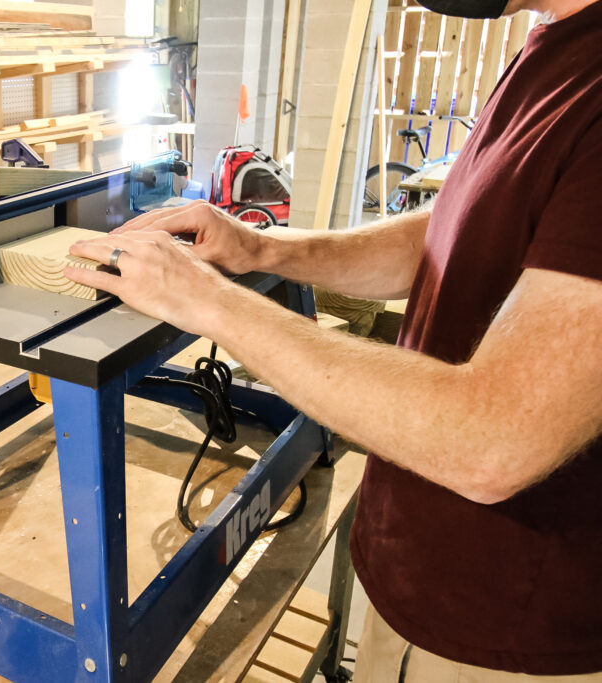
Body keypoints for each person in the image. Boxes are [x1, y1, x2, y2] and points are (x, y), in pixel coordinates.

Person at [65, 0, 602, 679]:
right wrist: (260, 247)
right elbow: (449, 233)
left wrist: (211, 303)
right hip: (416, 576)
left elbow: (496, 438)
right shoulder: (552, 46)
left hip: (499, 635)